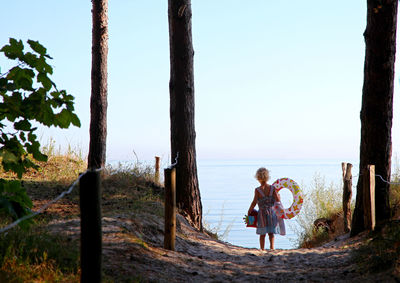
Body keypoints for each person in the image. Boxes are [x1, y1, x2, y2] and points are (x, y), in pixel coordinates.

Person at [247, 167, 285, 250]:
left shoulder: (257, 190)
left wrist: (249, 211)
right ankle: (272, 247)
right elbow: (277, 200)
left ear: (258, 178)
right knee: (271, 233)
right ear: (267, 177)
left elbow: (254, 202)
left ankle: (262, 249)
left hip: (262, 214)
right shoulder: (272, 188)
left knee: (262, 234)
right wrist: (279, 197)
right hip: (272, 212)